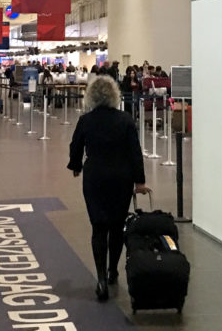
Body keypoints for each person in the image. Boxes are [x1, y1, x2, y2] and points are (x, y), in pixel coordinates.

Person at [67, 75, 149, 301]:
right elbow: (135, 152)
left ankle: (101, 279)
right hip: (121, 178)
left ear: (90, 96)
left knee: (98, 228)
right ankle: (114, 270)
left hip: (95, 178)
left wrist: (75, 166)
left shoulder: (86, 120)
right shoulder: (125, 120)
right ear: (115, 95)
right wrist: (139, 181)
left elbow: (76, 146)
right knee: (116, 226)